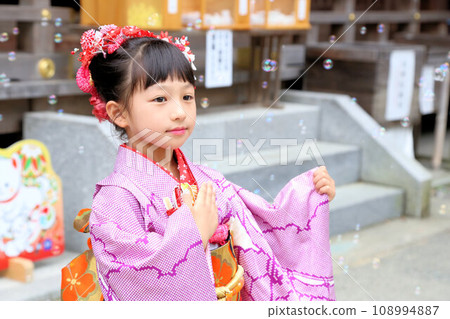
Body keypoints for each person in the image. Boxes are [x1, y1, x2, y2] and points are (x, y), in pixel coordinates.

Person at [74, 25, 336, 301]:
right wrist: (193, 234)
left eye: (187, 97)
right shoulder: (116, 197)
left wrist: (307, 200)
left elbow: (264, 224)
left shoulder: (207, 178)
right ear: (119, 113)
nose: (179, 112)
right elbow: (131, 277)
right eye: (160, 98)